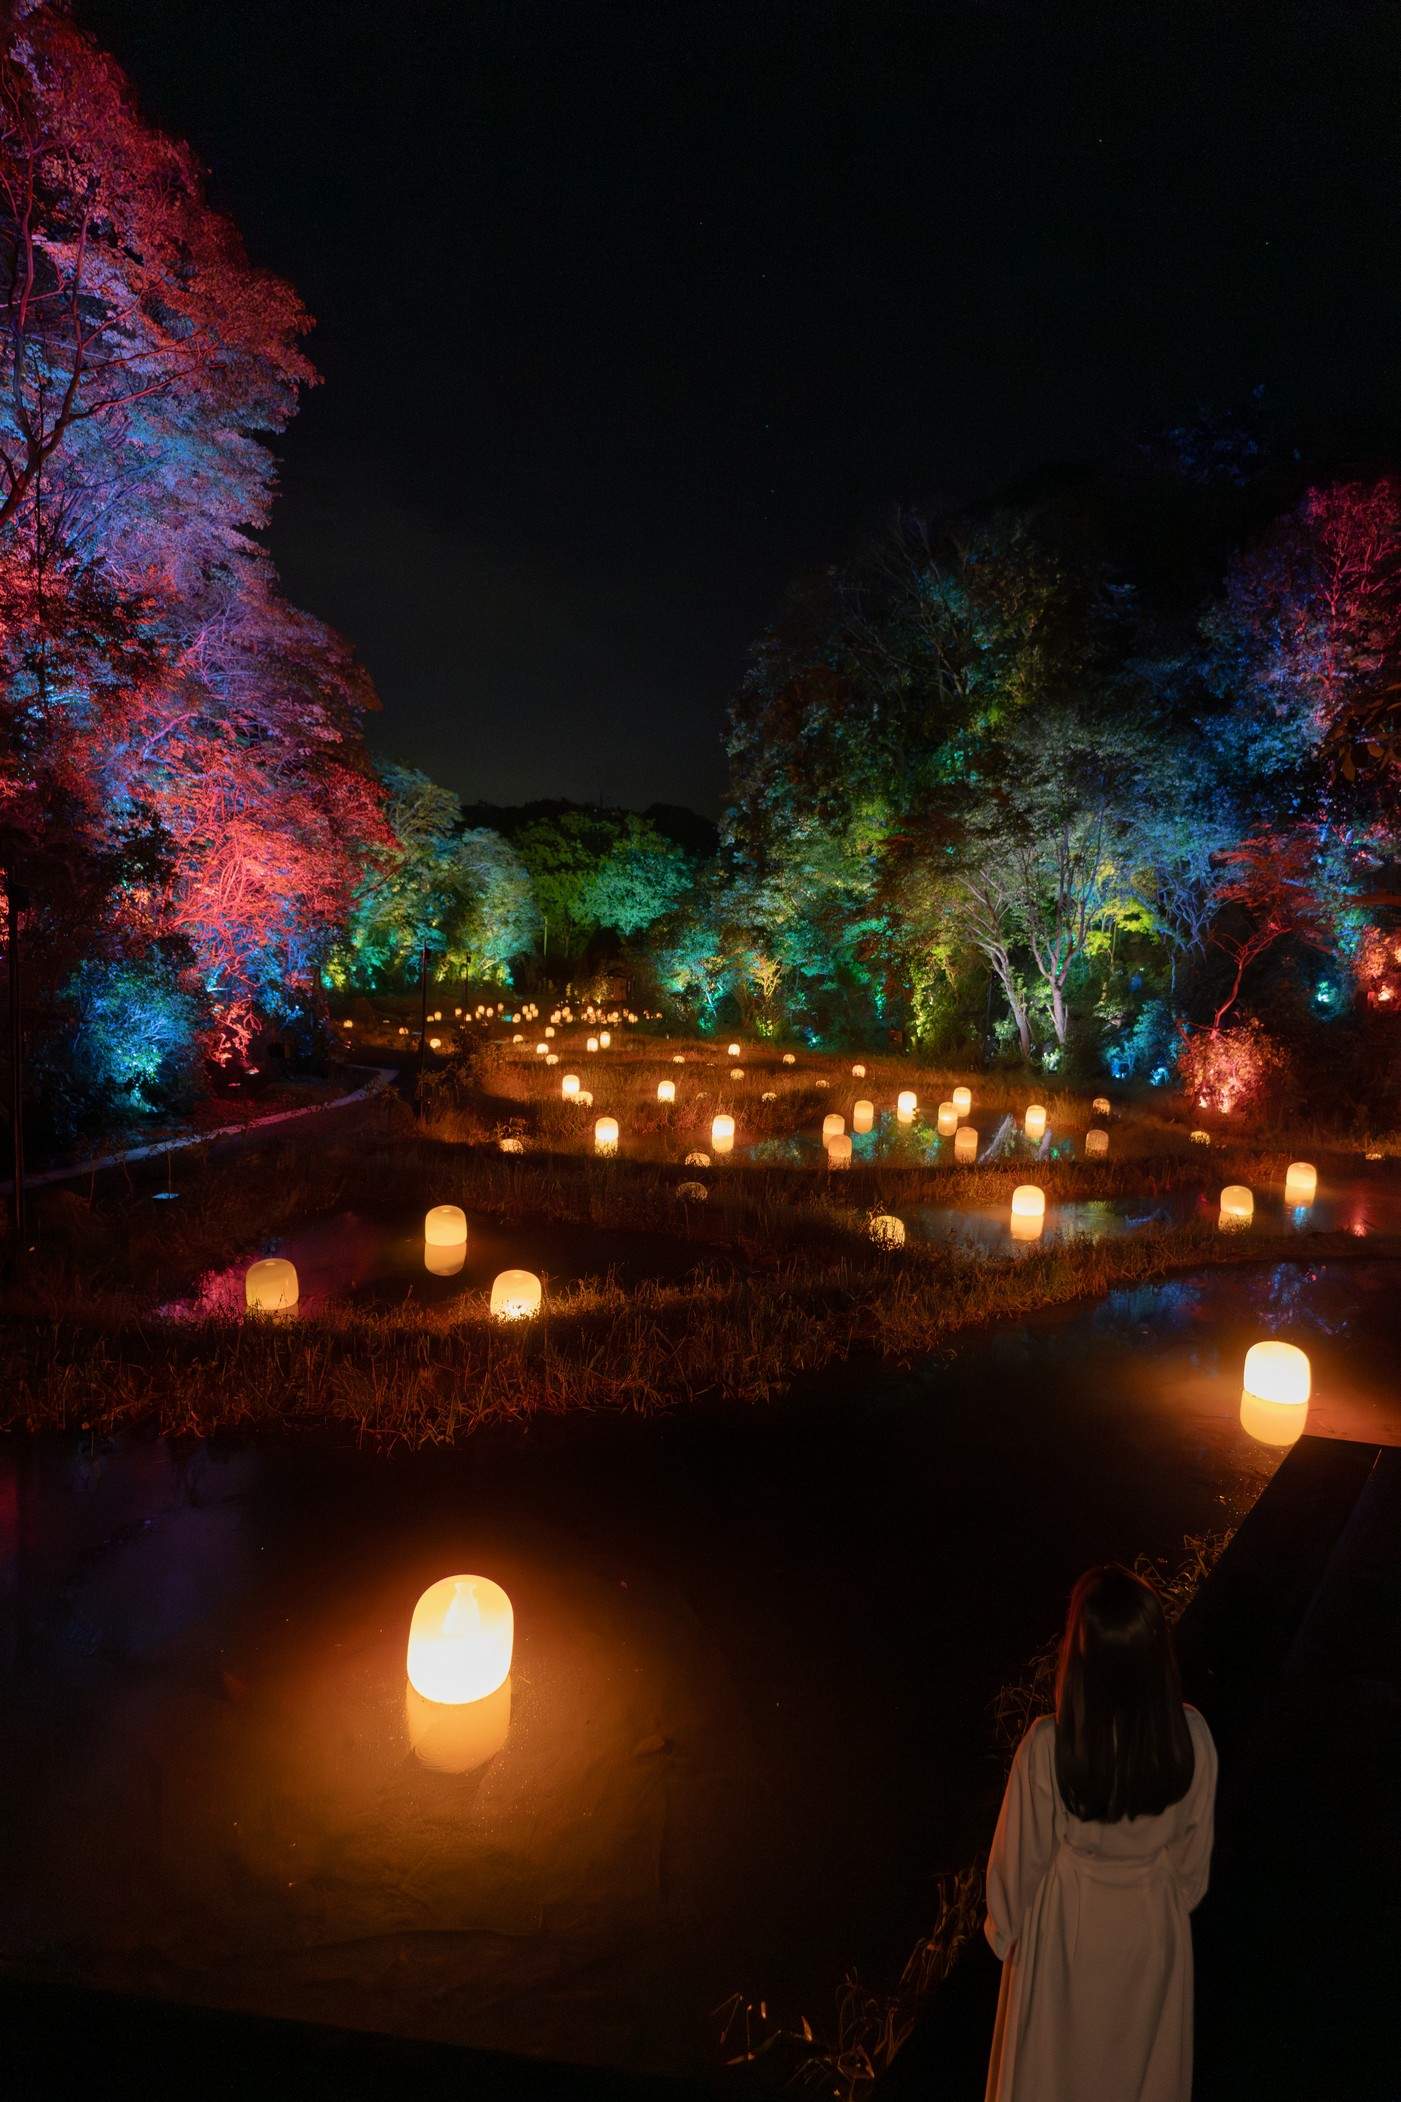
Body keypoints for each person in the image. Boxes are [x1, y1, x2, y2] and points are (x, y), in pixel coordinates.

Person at [983, 1564, 1217, 2102]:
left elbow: (1016, 1866)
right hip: (1152, 1931)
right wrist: (1167, 1894)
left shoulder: (1050, 1746)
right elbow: (1192, 1866)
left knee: (1056, 2071)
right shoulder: (1191, 1739)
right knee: (1136, 2074)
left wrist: (1005, 1931)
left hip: (1068, 1932)